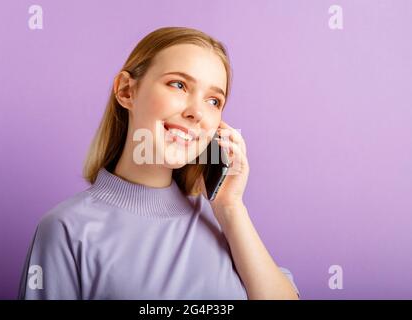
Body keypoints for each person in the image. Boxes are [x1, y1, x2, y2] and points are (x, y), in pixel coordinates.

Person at [18, 26, 300, 300]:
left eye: (214, 101)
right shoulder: (66, 229)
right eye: (178, 85)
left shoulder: (223, 218)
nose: (197, 112)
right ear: (127, 91)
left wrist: (231, 208)